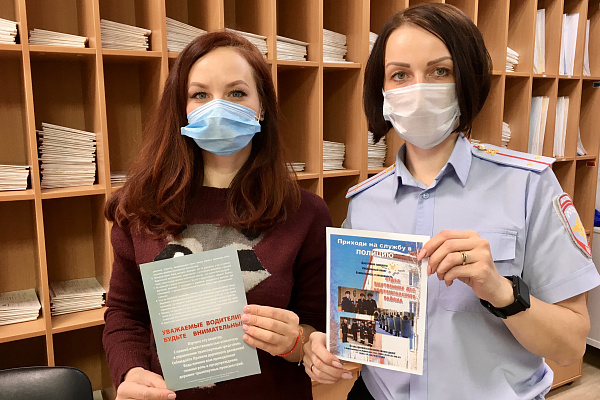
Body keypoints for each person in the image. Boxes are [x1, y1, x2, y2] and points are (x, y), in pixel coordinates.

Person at [303, 4, 600, 399]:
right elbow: (365, 333)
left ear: (467, 81)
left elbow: (571, 346)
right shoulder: (365, 202)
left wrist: (501, 291)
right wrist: (329, 349)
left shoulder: (528, 186)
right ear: (383, 91)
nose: (418, 88)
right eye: (400, 74)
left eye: (440, 71)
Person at [102, 31, 331, 400]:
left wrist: (298, 344)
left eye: (237, 93)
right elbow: (124, 313)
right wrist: (130, 371)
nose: (218, 107)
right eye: (200, 95)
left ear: (261, 107)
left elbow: (317, 328)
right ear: (181, 108)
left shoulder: (306, 213)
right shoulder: (140, 209)